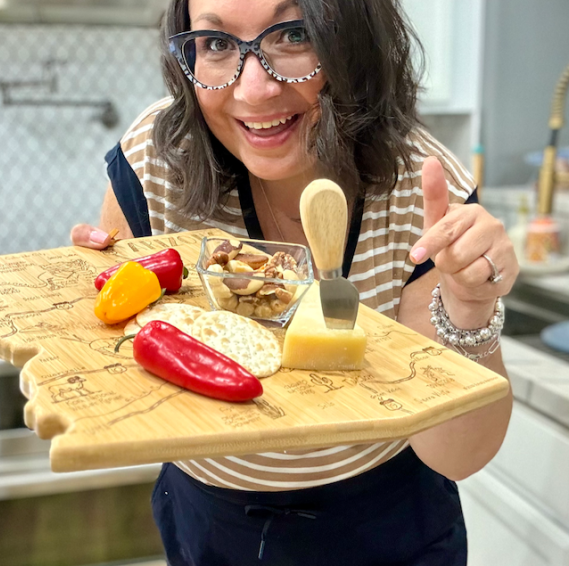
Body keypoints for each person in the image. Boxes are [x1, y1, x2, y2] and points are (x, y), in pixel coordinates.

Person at [71, 0, 519, 563]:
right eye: (215, 44)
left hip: (386, 522)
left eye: (296, 35)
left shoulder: (424, 192)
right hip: (211, 522)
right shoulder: (159, 160)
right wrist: (95, 300)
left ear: (356, 42)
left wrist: (470, 307)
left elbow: (457, 454)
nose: (254, 89)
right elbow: (126, 371)